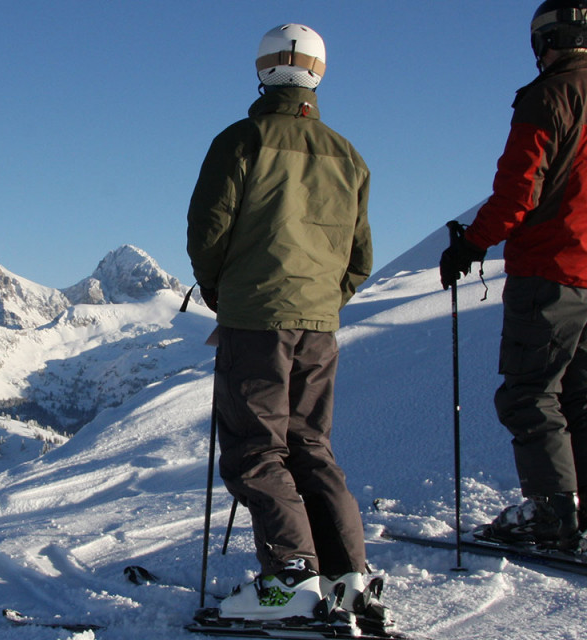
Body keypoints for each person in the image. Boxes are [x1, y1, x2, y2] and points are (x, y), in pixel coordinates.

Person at [187, 24, 383, 625]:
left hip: (256, 320)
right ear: (318, 75)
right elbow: (360, 259)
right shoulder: (347, 155)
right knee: (310, 445)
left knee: (254, 449)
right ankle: (350, 577)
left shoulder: (242, 140)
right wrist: (325, 302)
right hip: (319, 326)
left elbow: (208, 233)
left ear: (263, 69)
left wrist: (227, 293)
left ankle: (291, 579)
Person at [440, 0, 587, 552]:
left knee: (530, 394)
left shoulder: (549, 95)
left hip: (551, 271)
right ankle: (576, 514)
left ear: (549, 39)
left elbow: (519, 189)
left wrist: (473, 243)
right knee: (583, 397)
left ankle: (552, 515)